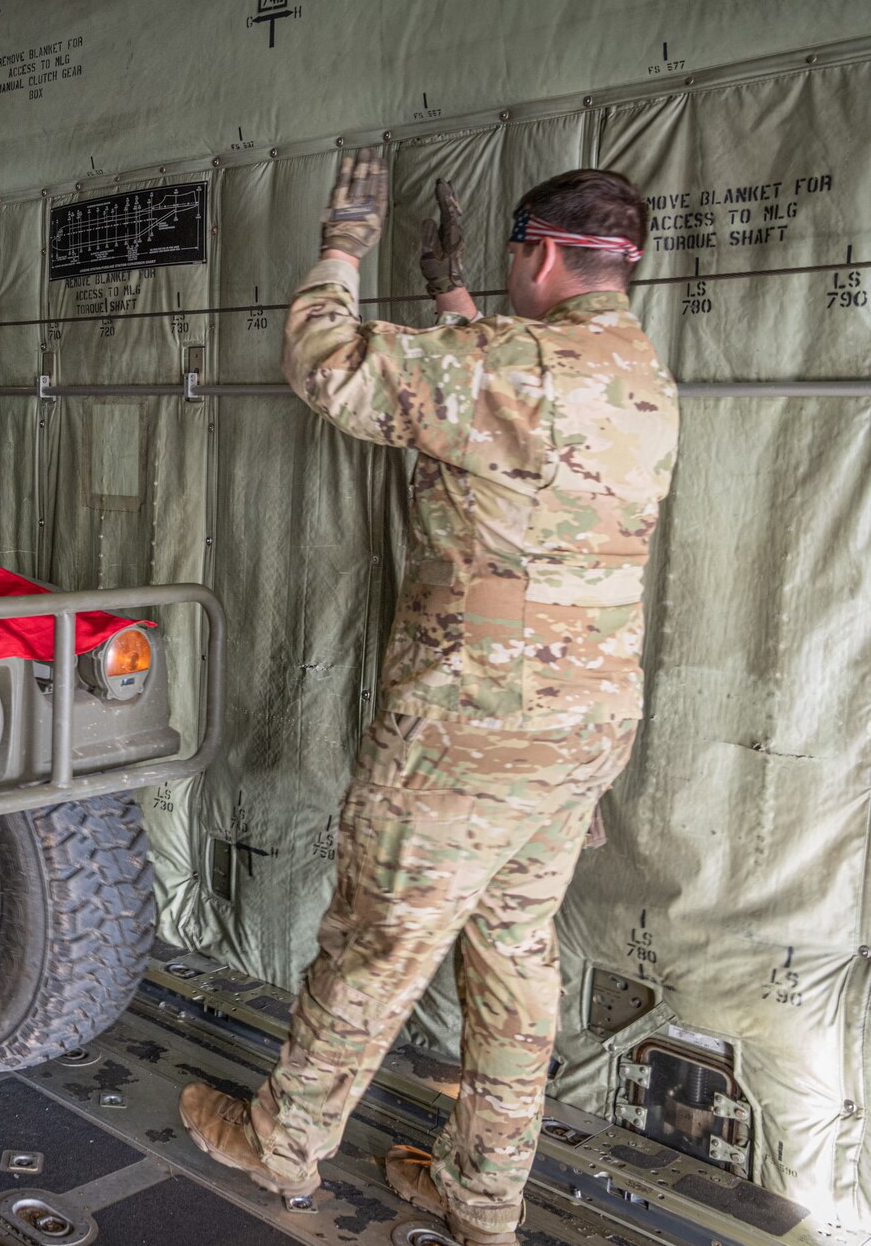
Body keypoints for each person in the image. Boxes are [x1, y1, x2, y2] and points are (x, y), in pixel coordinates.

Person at [180, 153, 679, 1245]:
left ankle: (280, 1144)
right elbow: (499, 401)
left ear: (540, 252)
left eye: (509, 260)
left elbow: (329, 364)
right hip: (579, 731)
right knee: (514, 957)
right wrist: (452, 287)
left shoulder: (520, 367)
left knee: (376, 939)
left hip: (471, 728)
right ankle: (481, 1194)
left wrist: (341, 249)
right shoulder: (636, 372)